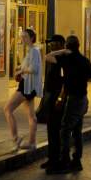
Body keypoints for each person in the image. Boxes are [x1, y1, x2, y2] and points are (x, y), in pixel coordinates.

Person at [45, 36, 91, 174]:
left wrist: (61, 52)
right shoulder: (84, 60)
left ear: (66, 46)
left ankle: (64, 161)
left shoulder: (65, 59)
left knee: (65, 130)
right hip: (83, 97)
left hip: (73, 99)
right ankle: (76, 160)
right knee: (77, 131)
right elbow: (90, 75)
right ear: (78, 45)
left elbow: (48, 57)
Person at [4, 29, 42, 152]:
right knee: (32, 116)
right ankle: (32, 142)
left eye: (25, 37)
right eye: (22, 36)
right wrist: (20, 67)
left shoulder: (34, 51)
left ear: (31, 38)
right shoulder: (32, 51)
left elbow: (34, 69)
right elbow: (28, 66)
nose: (23, 39)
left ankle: (16, 138)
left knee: (7, 109)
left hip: (27, 86)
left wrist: (21, 71)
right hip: (28, 86)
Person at [39, 34, 65, 171]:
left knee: (56, 130)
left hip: (57, 97)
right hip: (49, 96)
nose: (50, 46)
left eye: (53, 43)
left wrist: (60, 98)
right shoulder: (52, 58)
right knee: (50, 129)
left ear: (60, 44)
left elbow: (64, 82)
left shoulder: (62, 59)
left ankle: (57, 160)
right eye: (50, 44)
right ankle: (51, 158)